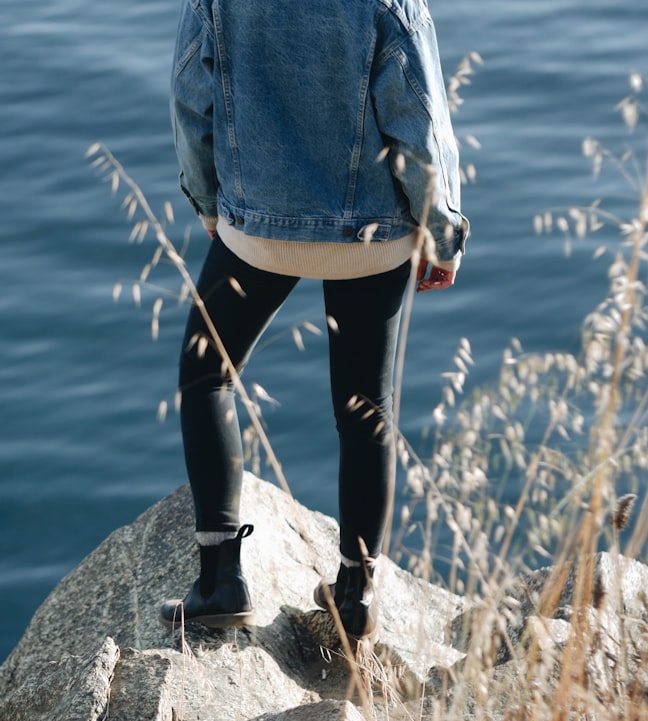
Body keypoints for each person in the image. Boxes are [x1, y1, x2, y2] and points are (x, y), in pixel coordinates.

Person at [158, 0, 469, 639]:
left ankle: (220, 581)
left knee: (206, 376)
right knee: (366, 410)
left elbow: (192, 91)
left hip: (258, 226)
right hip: (372, 233)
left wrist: (209, 201)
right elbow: (421, 117)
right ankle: (356, 595)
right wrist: (441, 230)